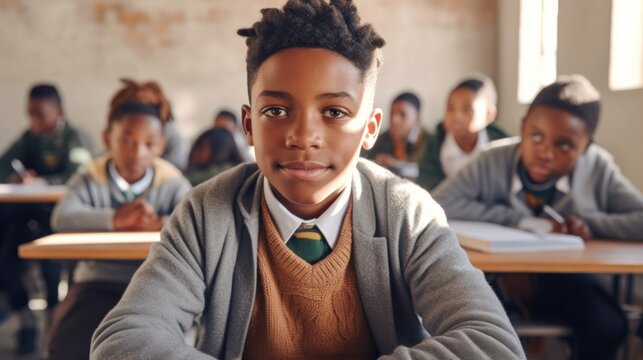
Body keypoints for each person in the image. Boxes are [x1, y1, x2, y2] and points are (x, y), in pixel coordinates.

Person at [92, 1, 525, 359]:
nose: (303, 136)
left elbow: (492, 344)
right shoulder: (206, 213)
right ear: (248, 124)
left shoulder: (407, 213)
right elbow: (124, 340)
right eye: (276, 111)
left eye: (335, 112)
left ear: (370, 128)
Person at [433, 75, 642, 359]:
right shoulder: (492, 160)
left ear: (587, 146)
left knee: (608, 326)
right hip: (496, 276)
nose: (545, 153)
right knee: (481, 327)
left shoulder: (597, 168)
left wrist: (586, 221)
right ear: (522, 128)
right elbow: (440, 202)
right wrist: (519, 221)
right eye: (535, 136)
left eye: (565, 145)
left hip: (568, 279)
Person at [46, 79, 192, 360]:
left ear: (160, 145)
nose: (137, 153)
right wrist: (116, 219)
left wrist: (161, 220)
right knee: (66, 344)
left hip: (156, 282)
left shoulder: (171, 182)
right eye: (126, 140)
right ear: (107, 138)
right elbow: (61, 217)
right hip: (96, 281)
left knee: (157, 346)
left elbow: (191, 223)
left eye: (149, 143)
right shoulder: (92, 177)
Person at [0, 83, 92, 355]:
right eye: (30, 114)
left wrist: (43, 180)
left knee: (52, 274)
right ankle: (25, 321)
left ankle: (51, 328)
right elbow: (4, 164)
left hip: (55, 219)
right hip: (23, 216)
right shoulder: (30, 137)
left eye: (40, 113)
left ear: (58, 112)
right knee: (7, 262)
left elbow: (79, 174)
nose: (34, 121)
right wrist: (15, 178)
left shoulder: (72, 139)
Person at [417, 74, 508, 190]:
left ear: (489, 115)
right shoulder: (434, 143)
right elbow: (427, 184)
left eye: (466, 109)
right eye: (450, 108)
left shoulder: (501, 145)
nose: (456, 116)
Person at [364, 91, 427, 179]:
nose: (394, 120)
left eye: (402, 114)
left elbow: (426, 175)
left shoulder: (429, 142)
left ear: (417, 119)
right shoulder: (381, 138)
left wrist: (393, 164)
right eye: (392, 113)